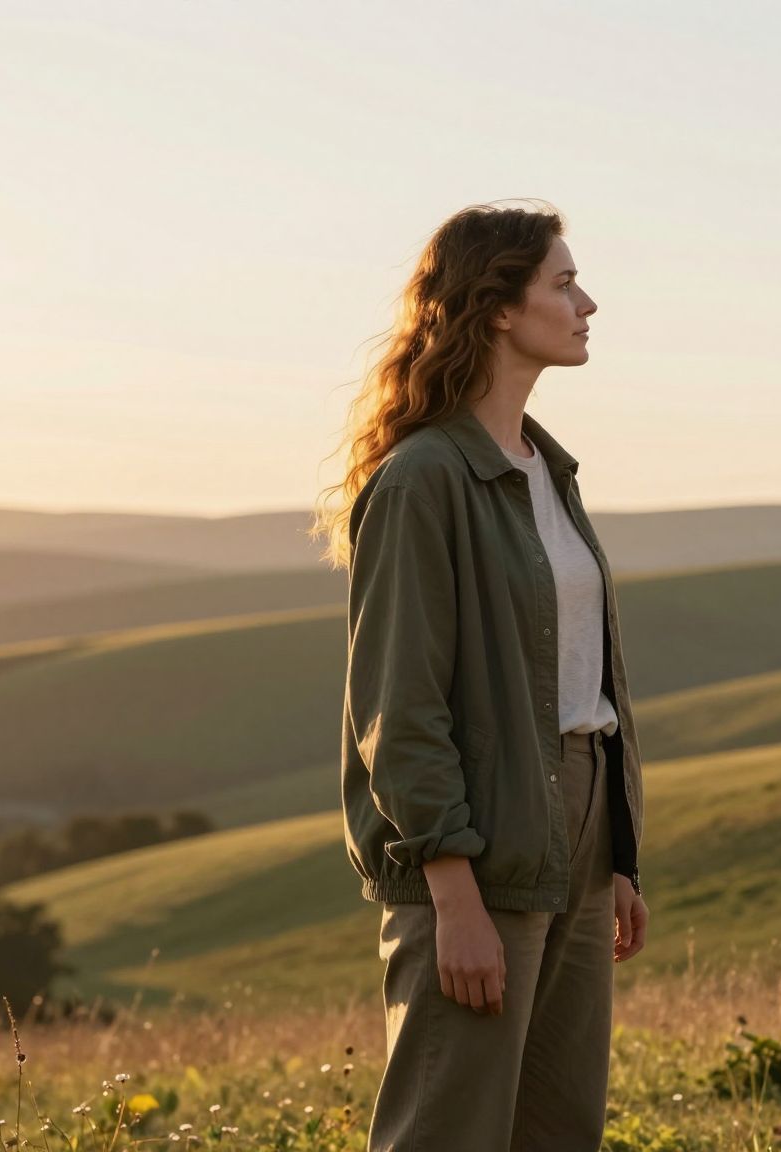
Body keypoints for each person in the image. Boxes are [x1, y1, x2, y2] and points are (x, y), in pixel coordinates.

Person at [315, 199, 650, 1150]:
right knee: (448, 1129)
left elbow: (586, 682)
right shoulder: (424, 479)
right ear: (500, 307)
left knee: (559, 1128)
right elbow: (399, 706)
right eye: (563, 282)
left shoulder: (547, 469)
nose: (588, 303)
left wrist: (612, 859)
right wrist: (452, 896)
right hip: (476, 836)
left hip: (577, 833)